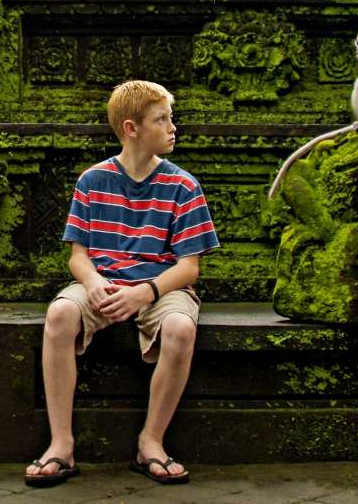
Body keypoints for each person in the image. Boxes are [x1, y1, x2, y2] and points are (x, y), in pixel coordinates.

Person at [25, 80, 219, 488]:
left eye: (171, 118)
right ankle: (61, 443)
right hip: (103, 282)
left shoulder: (183, 186)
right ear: (132, 128)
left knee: (181, 328)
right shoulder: (93, 181)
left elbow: (189, 268)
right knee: (59, 313)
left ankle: (151, 441)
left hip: (160, 287)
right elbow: (78, 256)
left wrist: (145, 292)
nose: (173, 127)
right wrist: (94, 282)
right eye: (161, 119)